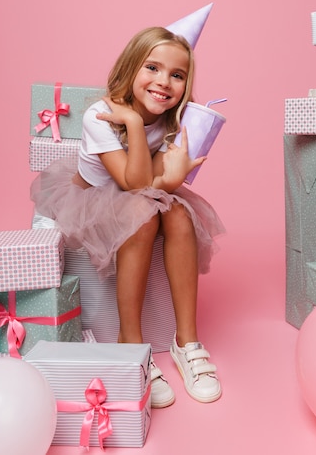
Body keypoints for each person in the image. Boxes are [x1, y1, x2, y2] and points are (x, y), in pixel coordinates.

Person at [31, 26, 225, 407]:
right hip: (94, 198)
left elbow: (153, 183)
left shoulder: (172, 121)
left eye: (177, 75)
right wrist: (135, 125)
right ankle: (131, 343)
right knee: (143, 217)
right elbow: (133, 182)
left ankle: (186, 341)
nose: (163, 82)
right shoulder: (100, 115)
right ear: (130, 67)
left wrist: (173, 175)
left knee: (180, 217)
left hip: (139, 190)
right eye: (152, 68)